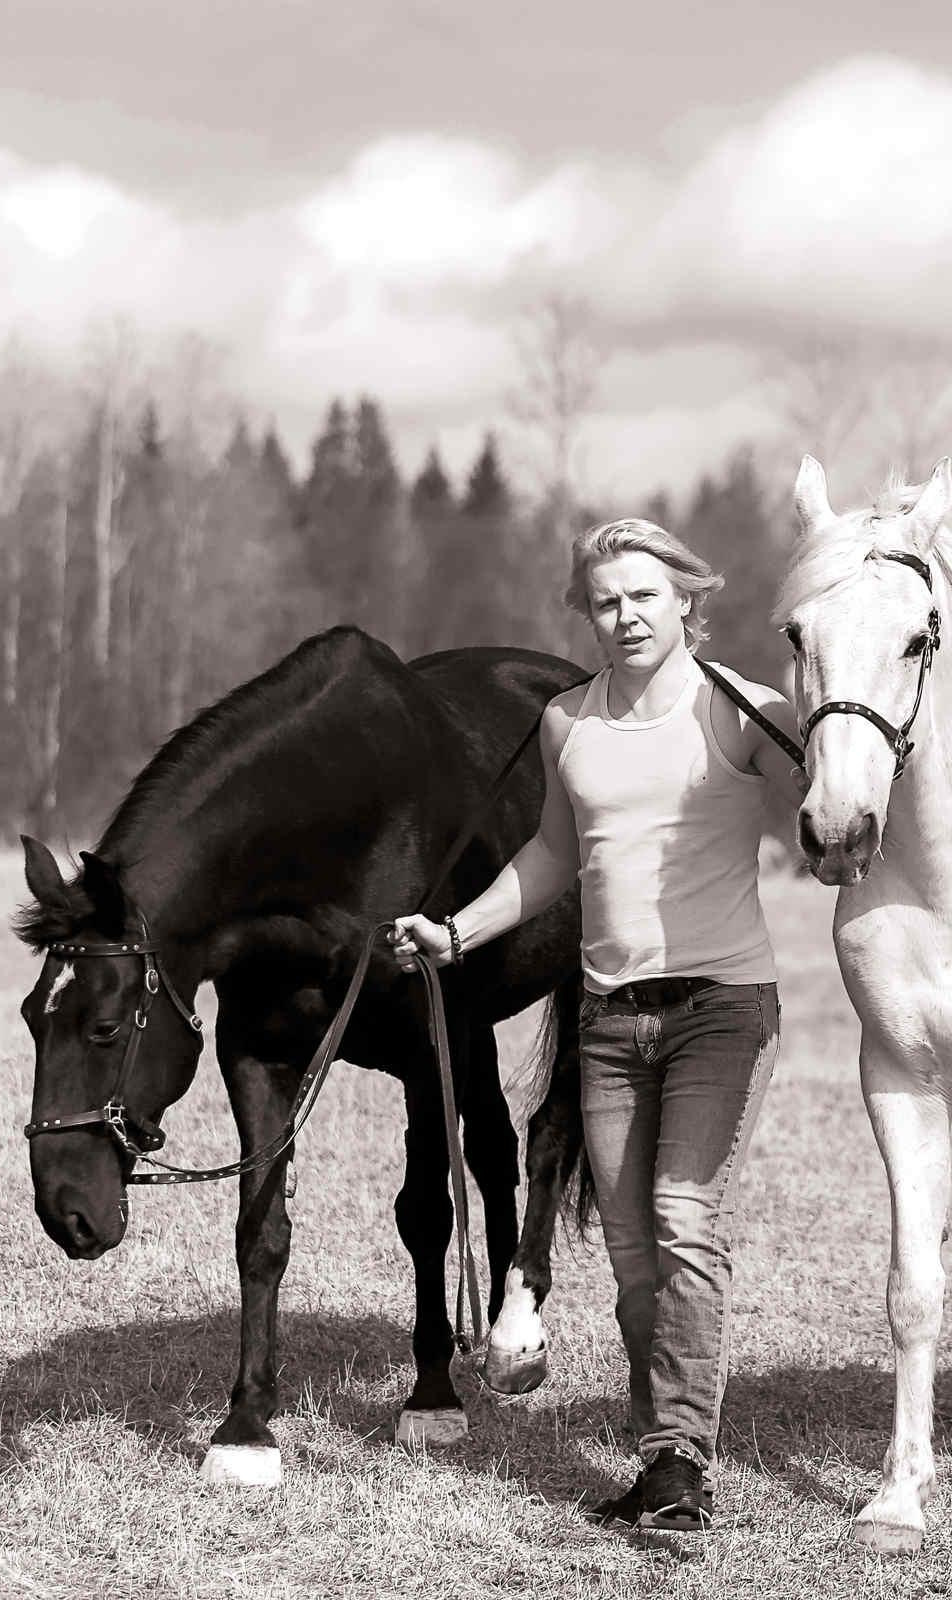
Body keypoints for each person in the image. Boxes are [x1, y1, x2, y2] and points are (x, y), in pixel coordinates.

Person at [389, 517, 799, 1531]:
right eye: (606, 600)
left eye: (645, 595)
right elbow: (550, 854)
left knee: (684, 1224)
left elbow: (825, 799)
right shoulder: (569, 721)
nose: (624, 615)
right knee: (631, 1254)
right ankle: (664, 1446)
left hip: (723, 1009)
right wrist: (456, 929)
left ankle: (676, 1462)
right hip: (612, 1022)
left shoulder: (743, 707)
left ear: (688, 601)